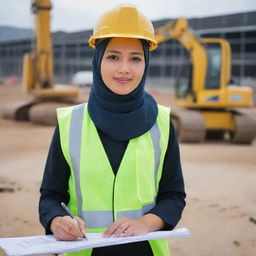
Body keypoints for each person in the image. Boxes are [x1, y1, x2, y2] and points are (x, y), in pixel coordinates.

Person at [39, 4, 186, 256]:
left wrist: (144, 224)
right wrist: (57, 222)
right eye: (113, 56)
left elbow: (173, 196)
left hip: (144, 251)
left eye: (135, 58)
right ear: (98, 59)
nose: (124, 69)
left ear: (146, 63)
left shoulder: (163, 123)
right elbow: (50, 196)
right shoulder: (69, 122)